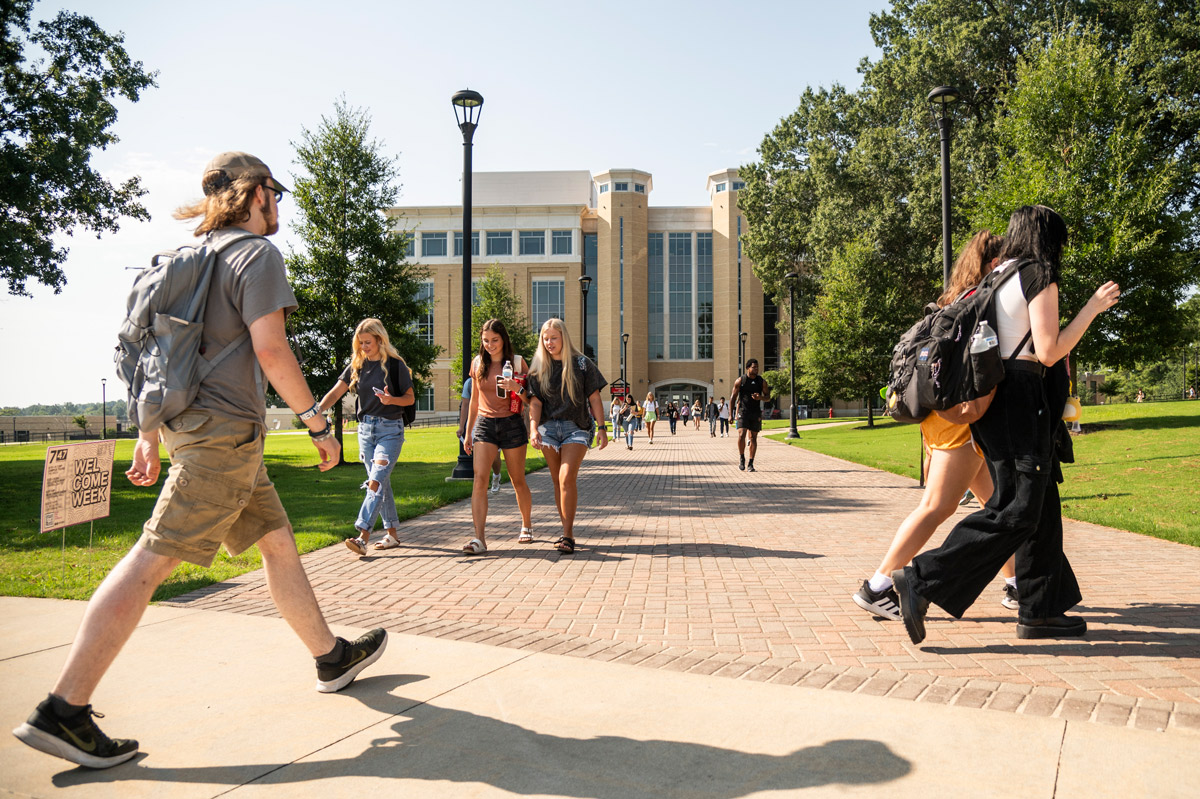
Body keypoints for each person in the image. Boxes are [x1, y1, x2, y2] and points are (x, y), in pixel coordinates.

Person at [12, 153, 387, 770]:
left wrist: (149, 433)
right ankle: (63, 708)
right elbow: (271, 350)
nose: (280, 205)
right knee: (152, 557)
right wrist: (317, 422)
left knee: (276, 540)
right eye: (277, 192)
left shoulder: (189, 260)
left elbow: (155, 358)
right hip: (224, 440)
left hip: (197, 431)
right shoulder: (256, 256)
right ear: (254, 193)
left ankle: (330, 656)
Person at [892, 205, 1121, 643]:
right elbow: (1050, 350)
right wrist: (1092, 308)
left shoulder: (998, 276)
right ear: (1049, 239)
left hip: (993, 400)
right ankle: (921, 579)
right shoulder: (1038, 274)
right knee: (1016, 510)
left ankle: (1040, 610)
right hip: (1022, 397)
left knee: (1040, 509)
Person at [852, 232, 1017, 621]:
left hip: (941, 417)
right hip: (961, 418)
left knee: (1000, 508)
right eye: (1007, 261)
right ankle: (876, 586)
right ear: (994, 264)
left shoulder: (954, 301)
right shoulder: (984, 303)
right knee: (936, 506)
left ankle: (1016, 585)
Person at [318, 318, 415, 556]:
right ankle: (391, 535)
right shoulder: (357, 365)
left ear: (380, 340)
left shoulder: (395, 365)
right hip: (365, 431)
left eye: (368, 342)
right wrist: (316, 411)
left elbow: (410, 398)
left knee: (376, 481)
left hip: (390, 430)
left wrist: (391, 399)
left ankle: (362, 536)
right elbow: (336, 392)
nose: (364, 347)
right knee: (382, 483)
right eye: (361, 343)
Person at [526, 318, 609, 554]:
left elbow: (594, 398)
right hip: (548, 430)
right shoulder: (538, 368)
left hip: (577, 428)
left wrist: (602, 428)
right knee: (556, 481)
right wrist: (533, 429)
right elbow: (535, 403)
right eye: (545, 338)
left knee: (565, 477)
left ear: (563, 337)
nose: (549, 342)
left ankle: (568, 534)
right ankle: (565, 530)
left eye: (553, 337)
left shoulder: (582, 364)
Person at [461, 319, 534, 554]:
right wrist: (468, 432)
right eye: (486, 340)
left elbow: (531, 399)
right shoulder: (477, 363)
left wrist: (516, 387)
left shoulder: (517, 362)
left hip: (512, 424)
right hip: (484, 425)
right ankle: (479, 538)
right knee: (480, 479)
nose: (490, 345)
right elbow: (473, 401)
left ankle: (526, 525)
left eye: (495, 340)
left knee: (517, 480)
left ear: (503, 339)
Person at [457, 376, 503, 494]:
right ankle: (480, 485)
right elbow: (465, 405)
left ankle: (496, 476)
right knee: (478, 455)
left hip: (494, 421)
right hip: (476, 423)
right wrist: (462, 427)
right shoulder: (469, 383)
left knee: (495, 457)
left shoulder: (498, 377)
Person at [731, 359, 769, 472]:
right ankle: (742, 458)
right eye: (754, 367)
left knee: (753, 438)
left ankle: (751, 463)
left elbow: (768, 397)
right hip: (743, 411)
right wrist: (730, 415)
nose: (756, 369)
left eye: (757, 367)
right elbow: (733, 397)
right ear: (748, 368)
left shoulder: (761, 381)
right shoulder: (740, 381)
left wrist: (760, 398)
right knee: (742, 434)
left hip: (755, 412)